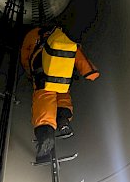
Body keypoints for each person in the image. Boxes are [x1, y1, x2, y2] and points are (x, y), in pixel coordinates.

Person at [20, 25, 100, 162]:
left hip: (41, 69)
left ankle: (46, 136)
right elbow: (77, 53)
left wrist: (28, 71)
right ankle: (63, 118)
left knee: (44, 97)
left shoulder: (33, 35)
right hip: (62, 73)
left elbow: (25, 54)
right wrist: (90, 72)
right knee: (63, 93)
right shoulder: (61, 36)